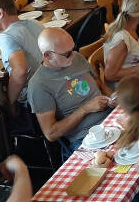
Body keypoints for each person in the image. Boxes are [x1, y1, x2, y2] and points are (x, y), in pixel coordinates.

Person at [28, 28, 111, 157]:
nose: (73, 55)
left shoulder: (76, 57)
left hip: (110, 118)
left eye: (73, 49)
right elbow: (51, 133)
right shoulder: (39, 85)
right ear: (48, 56)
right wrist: (85, 109)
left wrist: (114, 98)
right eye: (67, 54)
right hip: (85, 137)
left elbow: (99, 83)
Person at [0, 0, 43, 108]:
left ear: (0, 13)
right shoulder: (34, 22)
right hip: (54, 83)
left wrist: (10, 102)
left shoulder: (6, 37)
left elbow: (20, 72)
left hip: (36, 97)